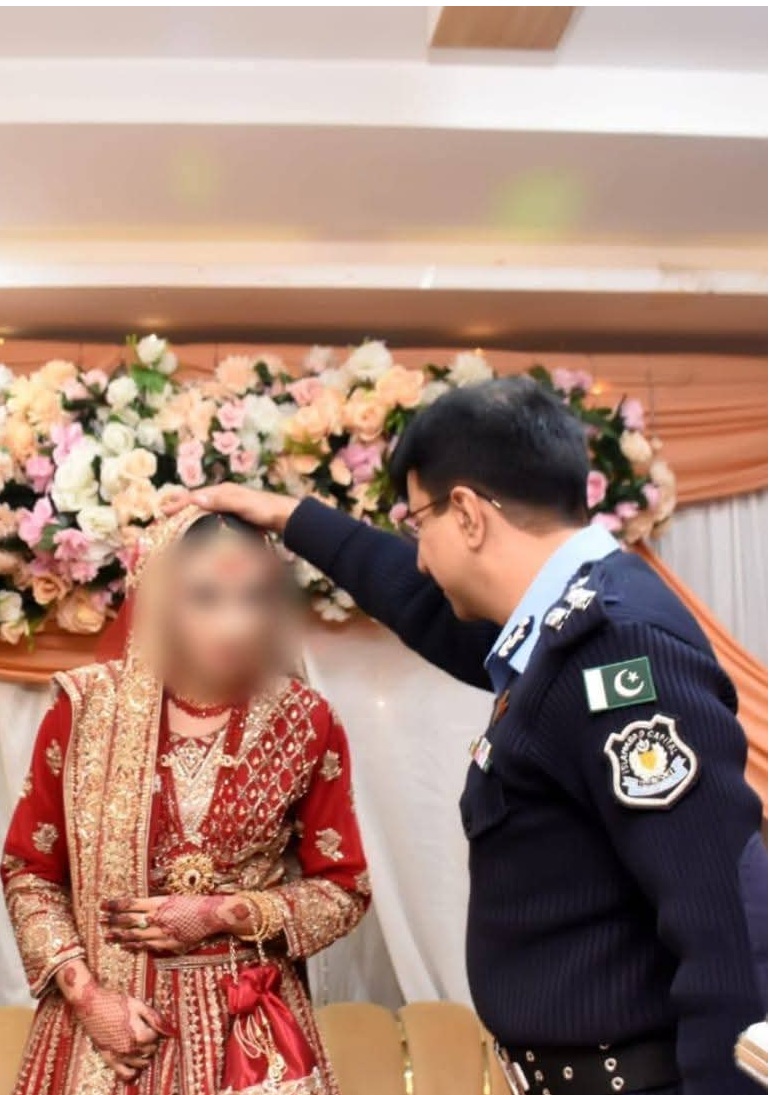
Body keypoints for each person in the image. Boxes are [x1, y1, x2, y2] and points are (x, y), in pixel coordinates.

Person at [168, 377, 767, 1095]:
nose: (420, 555)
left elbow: (725, 918)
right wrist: (291, 517)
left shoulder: (615, 650)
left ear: (467, 513)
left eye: (419, 524)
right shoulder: (562, 633)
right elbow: (423, 603)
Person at [2, 507, 370, 1095]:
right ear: (159, 600)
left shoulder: (304, 719)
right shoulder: (86, 709)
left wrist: (227, 913)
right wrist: (86, 995)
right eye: (205, 598)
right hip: (110, 1035)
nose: (234, 624)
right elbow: (30, 870)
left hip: (248, 1033)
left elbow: (344, 887)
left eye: (253, 598)